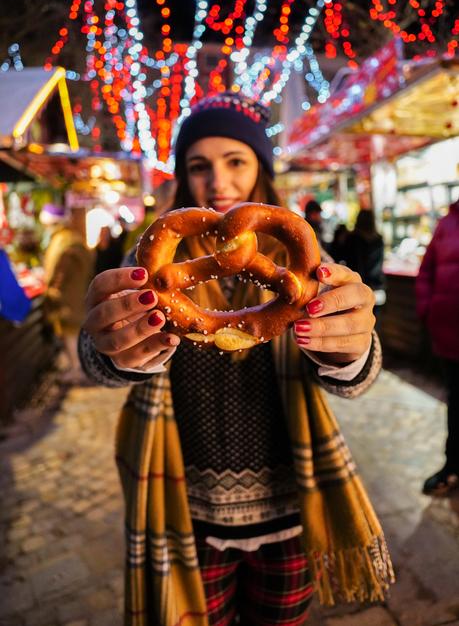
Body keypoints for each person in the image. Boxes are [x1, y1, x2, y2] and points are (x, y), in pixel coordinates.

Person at [79, 93, 393, 626]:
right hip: (184, 508)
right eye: (199, 166)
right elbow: (94, 360)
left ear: (260, 172)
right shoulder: (148, 264)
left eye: (236, 161)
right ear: (182, 176)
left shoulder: (309, 266)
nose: (217, 182)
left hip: (291, 505)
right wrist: (118, 352)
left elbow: (357, 376)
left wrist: (353, 349)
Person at [416, 199, 459, 495]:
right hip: (450, 333)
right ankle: (453, 465)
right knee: (456, 403)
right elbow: (427, 270)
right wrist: (427, 309)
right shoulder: (448, 222)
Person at [40, 203, 94, 383]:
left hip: (68, 298)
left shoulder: (63, 242)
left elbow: (59, 272)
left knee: (70, 333)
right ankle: (77, 367)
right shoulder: (74, 239)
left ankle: (76, 369)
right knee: (74, 333)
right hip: (78, 294)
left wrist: (53, 289)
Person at [343, 209, 386, 318]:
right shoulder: (379, 239)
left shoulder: (352, 239)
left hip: (357, 288)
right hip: (377, 288)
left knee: (358, 323)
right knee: (374, 323)